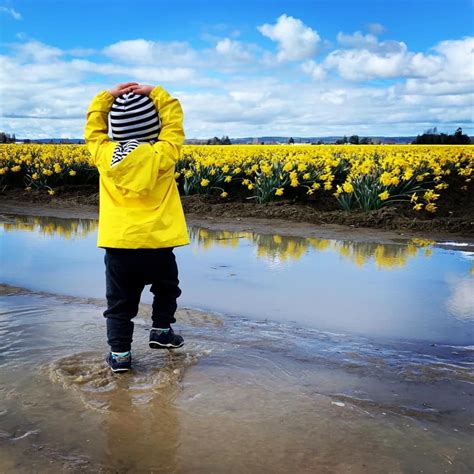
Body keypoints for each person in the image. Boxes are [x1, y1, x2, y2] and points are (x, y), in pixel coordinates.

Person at [84, 82, 190, 373]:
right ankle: (161, 330)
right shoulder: (164, 155)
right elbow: (174, 122)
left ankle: (119, 356)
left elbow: (93, 130)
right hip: (158, 243)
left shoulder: (104, 155)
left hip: (119, 246)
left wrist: (106, 97)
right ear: (154, 129)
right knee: (167, 289)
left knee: (119, 303)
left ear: (115, 130)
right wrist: (156, 93)